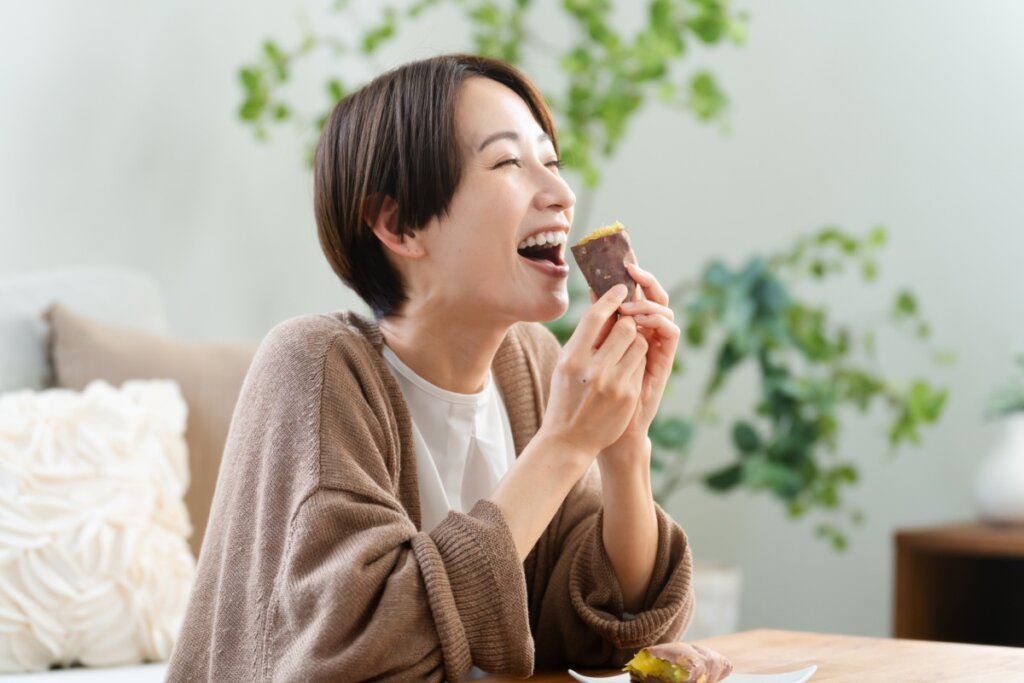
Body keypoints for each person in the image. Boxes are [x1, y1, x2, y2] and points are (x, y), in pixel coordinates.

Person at [167, 53, 693, 682]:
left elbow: (603, 621)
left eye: (550, 162)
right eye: (507, 163)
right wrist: (565, 443)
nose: (561, 194)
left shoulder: (529, 364)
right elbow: (358, 651)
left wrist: (623, 443)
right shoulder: (314, 367)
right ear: (399, 223)